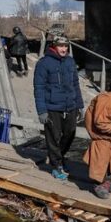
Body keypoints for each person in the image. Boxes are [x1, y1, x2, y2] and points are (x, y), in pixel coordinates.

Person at [33, 35, 84, 180]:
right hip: (52, 107)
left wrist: (80, 105)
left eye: (66, 46)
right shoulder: (44, 63)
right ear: (54, 46)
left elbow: (76, 84)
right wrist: (42, 111)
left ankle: (58, 158)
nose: (64, 49)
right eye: (61, 46)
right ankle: (56, 166)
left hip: (70, 106)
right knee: (53, 137)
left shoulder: (70, 61)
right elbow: (39, 88)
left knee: (70, 133)